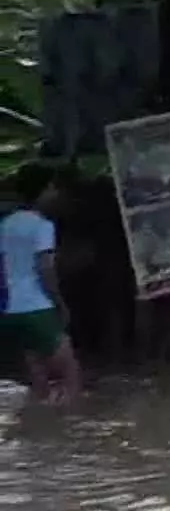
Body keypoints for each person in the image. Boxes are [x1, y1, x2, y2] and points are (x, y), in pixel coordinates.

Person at [1, 164, 80, 404]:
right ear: (43, 191)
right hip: (37, 305)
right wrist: (60, 302)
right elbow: (45, 267)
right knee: (71, 374)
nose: (55, 193)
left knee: (39, 380)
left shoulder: (5, 224)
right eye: (52, 188)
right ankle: (70, 424)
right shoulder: (43, 226)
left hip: (11, 309)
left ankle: (41, 427)